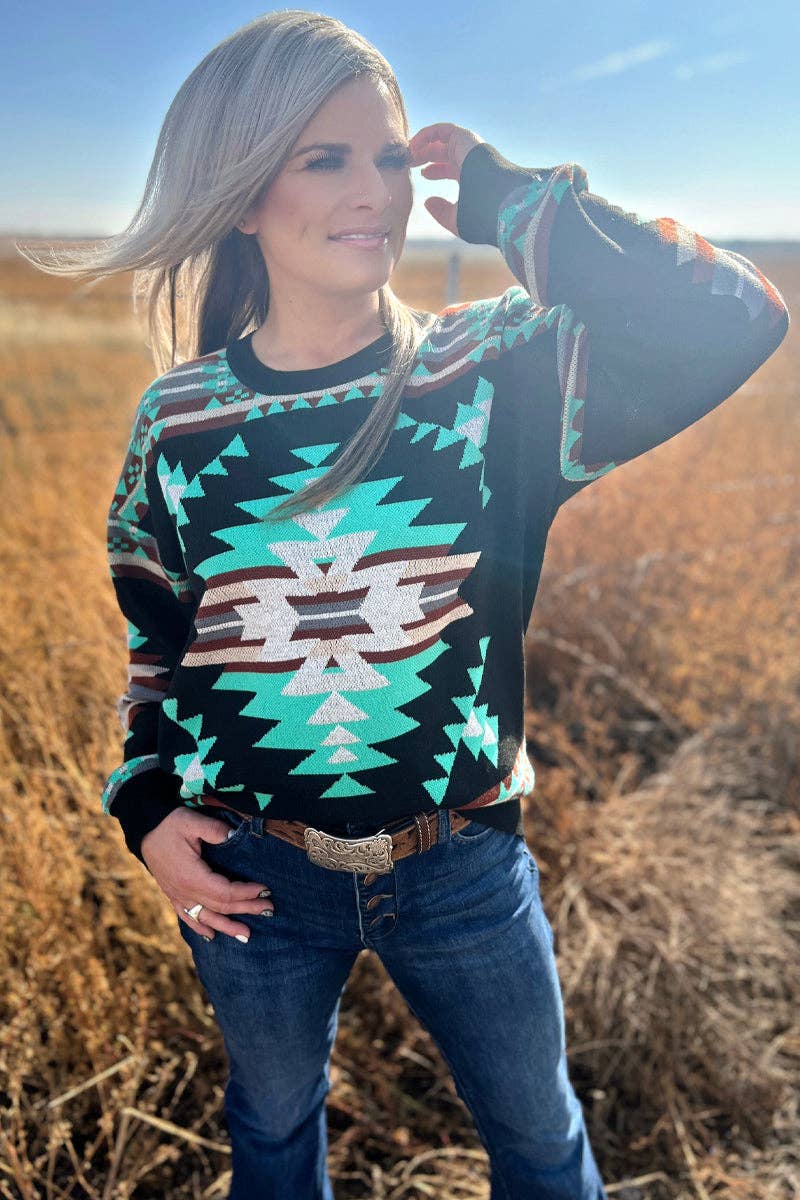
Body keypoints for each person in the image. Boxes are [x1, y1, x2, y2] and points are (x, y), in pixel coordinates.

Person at [18, 10, 789, 1199]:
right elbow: (157, 639)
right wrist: (147, 807)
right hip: (252, 872)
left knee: (539, 1142)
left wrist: (509, 199)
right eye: (322, 159)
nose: (373, 190)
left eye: (384, 155)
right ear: (242, 195)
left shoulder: (491, 377)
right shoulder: (180, 420)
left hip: (460, 864)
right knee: (271, 1127)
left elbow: (731, 312)